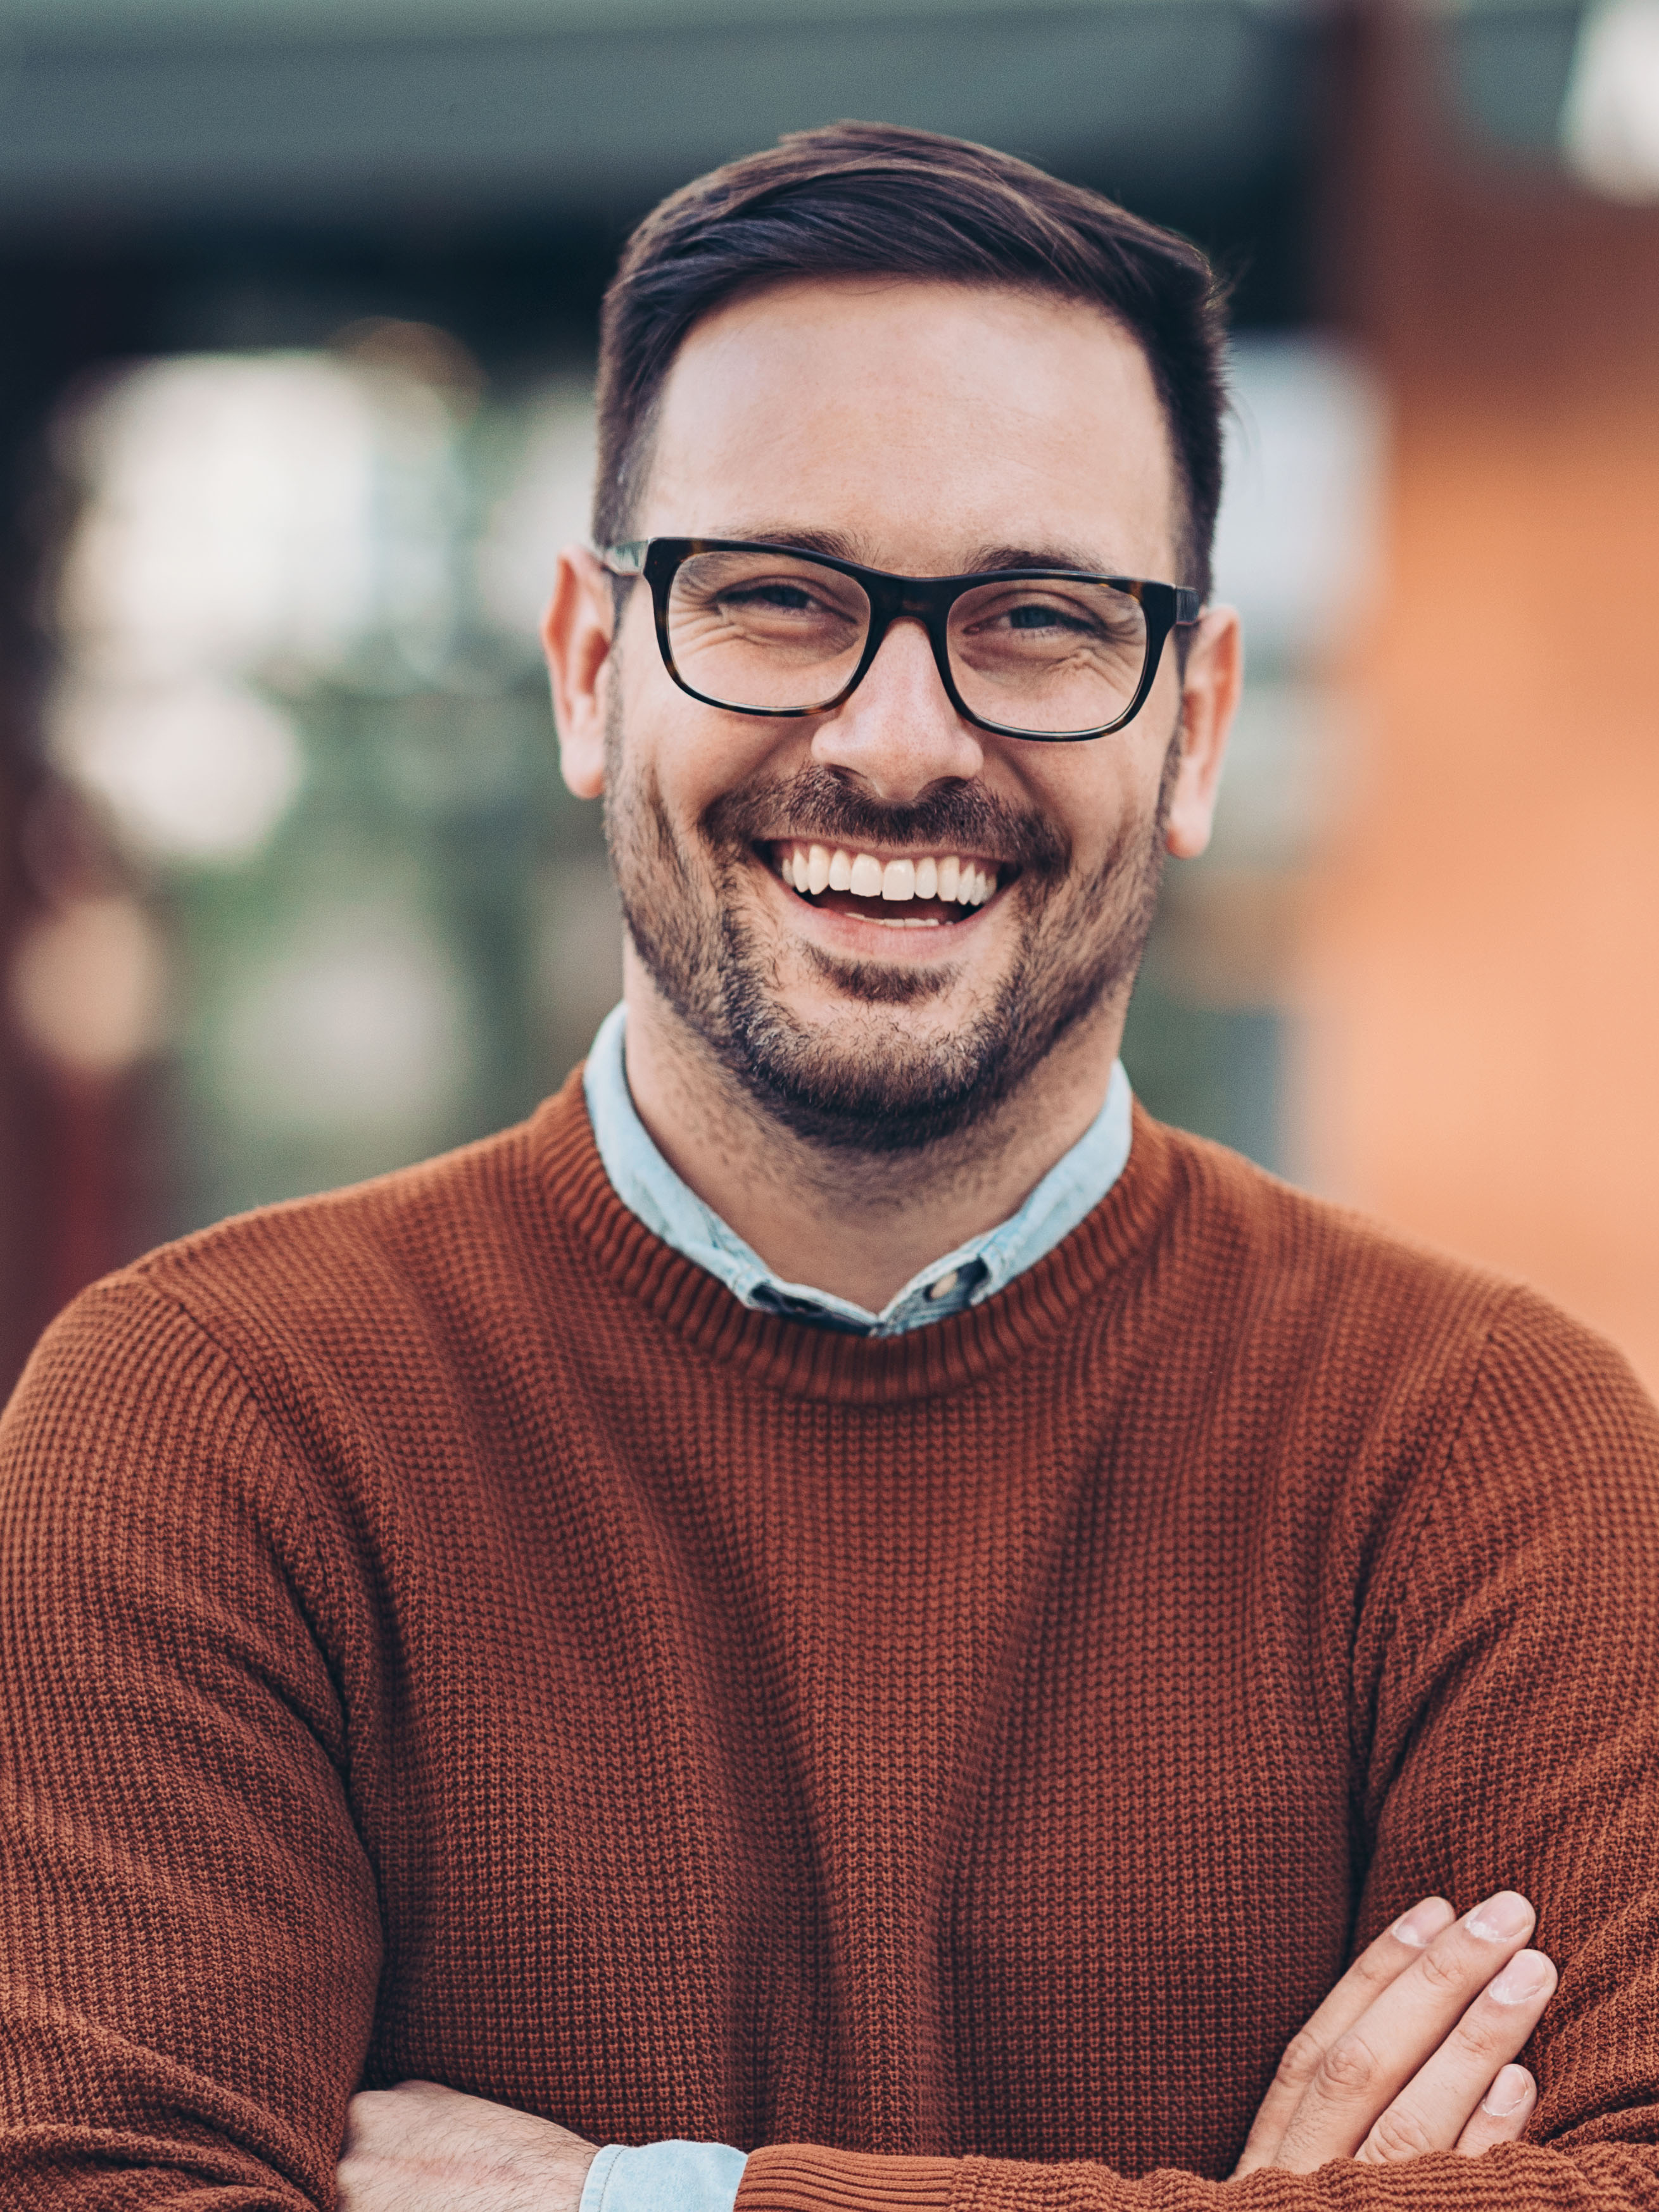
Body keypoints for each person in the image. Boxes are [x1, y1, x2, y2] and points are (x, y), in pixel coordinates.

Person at [2, 122, 1656, 2212]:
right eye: (778, 599)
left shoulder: (1479, 1451)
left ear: (1199, 724)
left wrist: (646, 2204)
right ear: (593, 669)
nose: (896, 739)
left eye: (1039, 619)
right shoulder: (213, 1424)